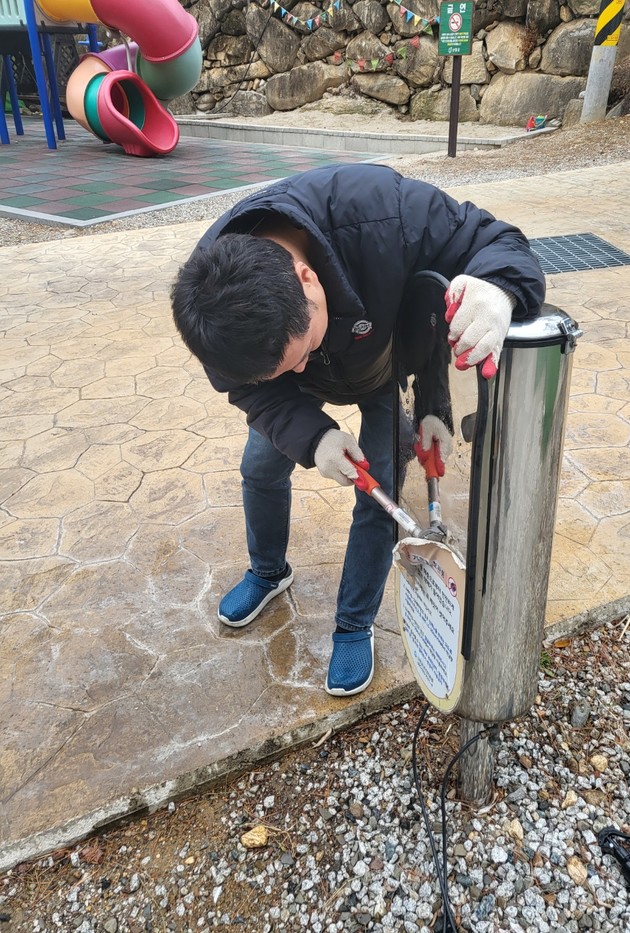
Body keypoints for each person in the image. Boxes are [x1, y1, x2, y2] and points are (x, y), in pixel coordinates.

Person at [171, 162, 545, 698]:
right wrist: (315, 437)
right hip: (299, 382)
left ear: (307, 279)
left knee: (380, 492)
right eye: (284, 366)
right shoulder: (209, 310)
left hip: (385, 365)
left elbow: (496, 240)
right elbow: (251, 389)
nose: (301, 367)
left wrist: (498, 289)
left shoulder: (385, 211)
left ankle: (354, 624)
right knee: (260, 466)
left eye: (301, 350)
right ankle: (268, 571)